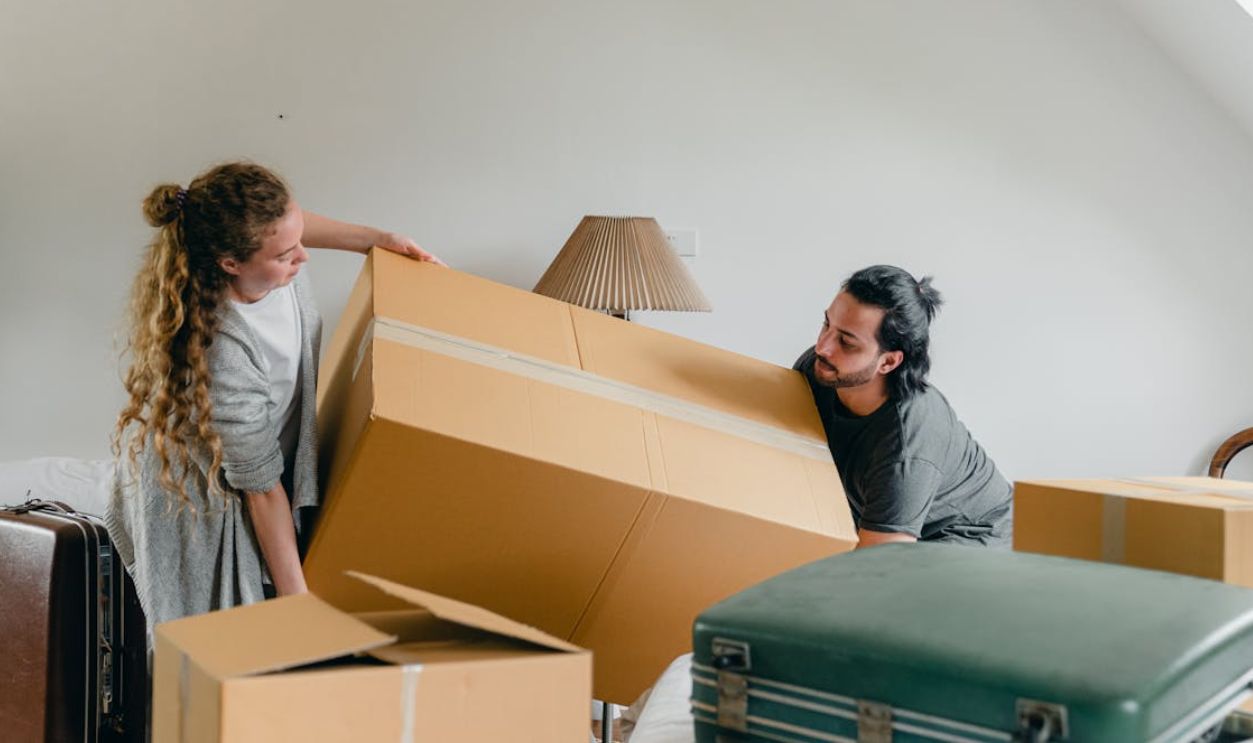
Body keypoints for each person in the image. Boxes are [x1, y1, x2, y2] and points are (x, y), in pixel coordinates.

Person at [106, 161, 443, 632]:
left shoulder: (272, 264)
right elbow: (262, 490)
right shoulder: (220, 348)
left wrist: (382, 239)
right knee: (226, 645)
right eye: (287, 253)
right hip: (199, 502)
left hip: (259, 472)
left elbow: (292, 225)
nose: (303, 257)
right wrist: (295, 602)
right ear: (231, 263)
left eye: (298, 239)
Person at [794, 265, 1012, 548]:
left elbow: (881, 567)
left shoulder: (905, 445)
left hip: (972, 539)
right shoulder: (821, 369)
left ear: (889, 362)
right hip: (897, 522)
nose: (823, 347)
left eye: (846, 342)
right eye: (827, 325)